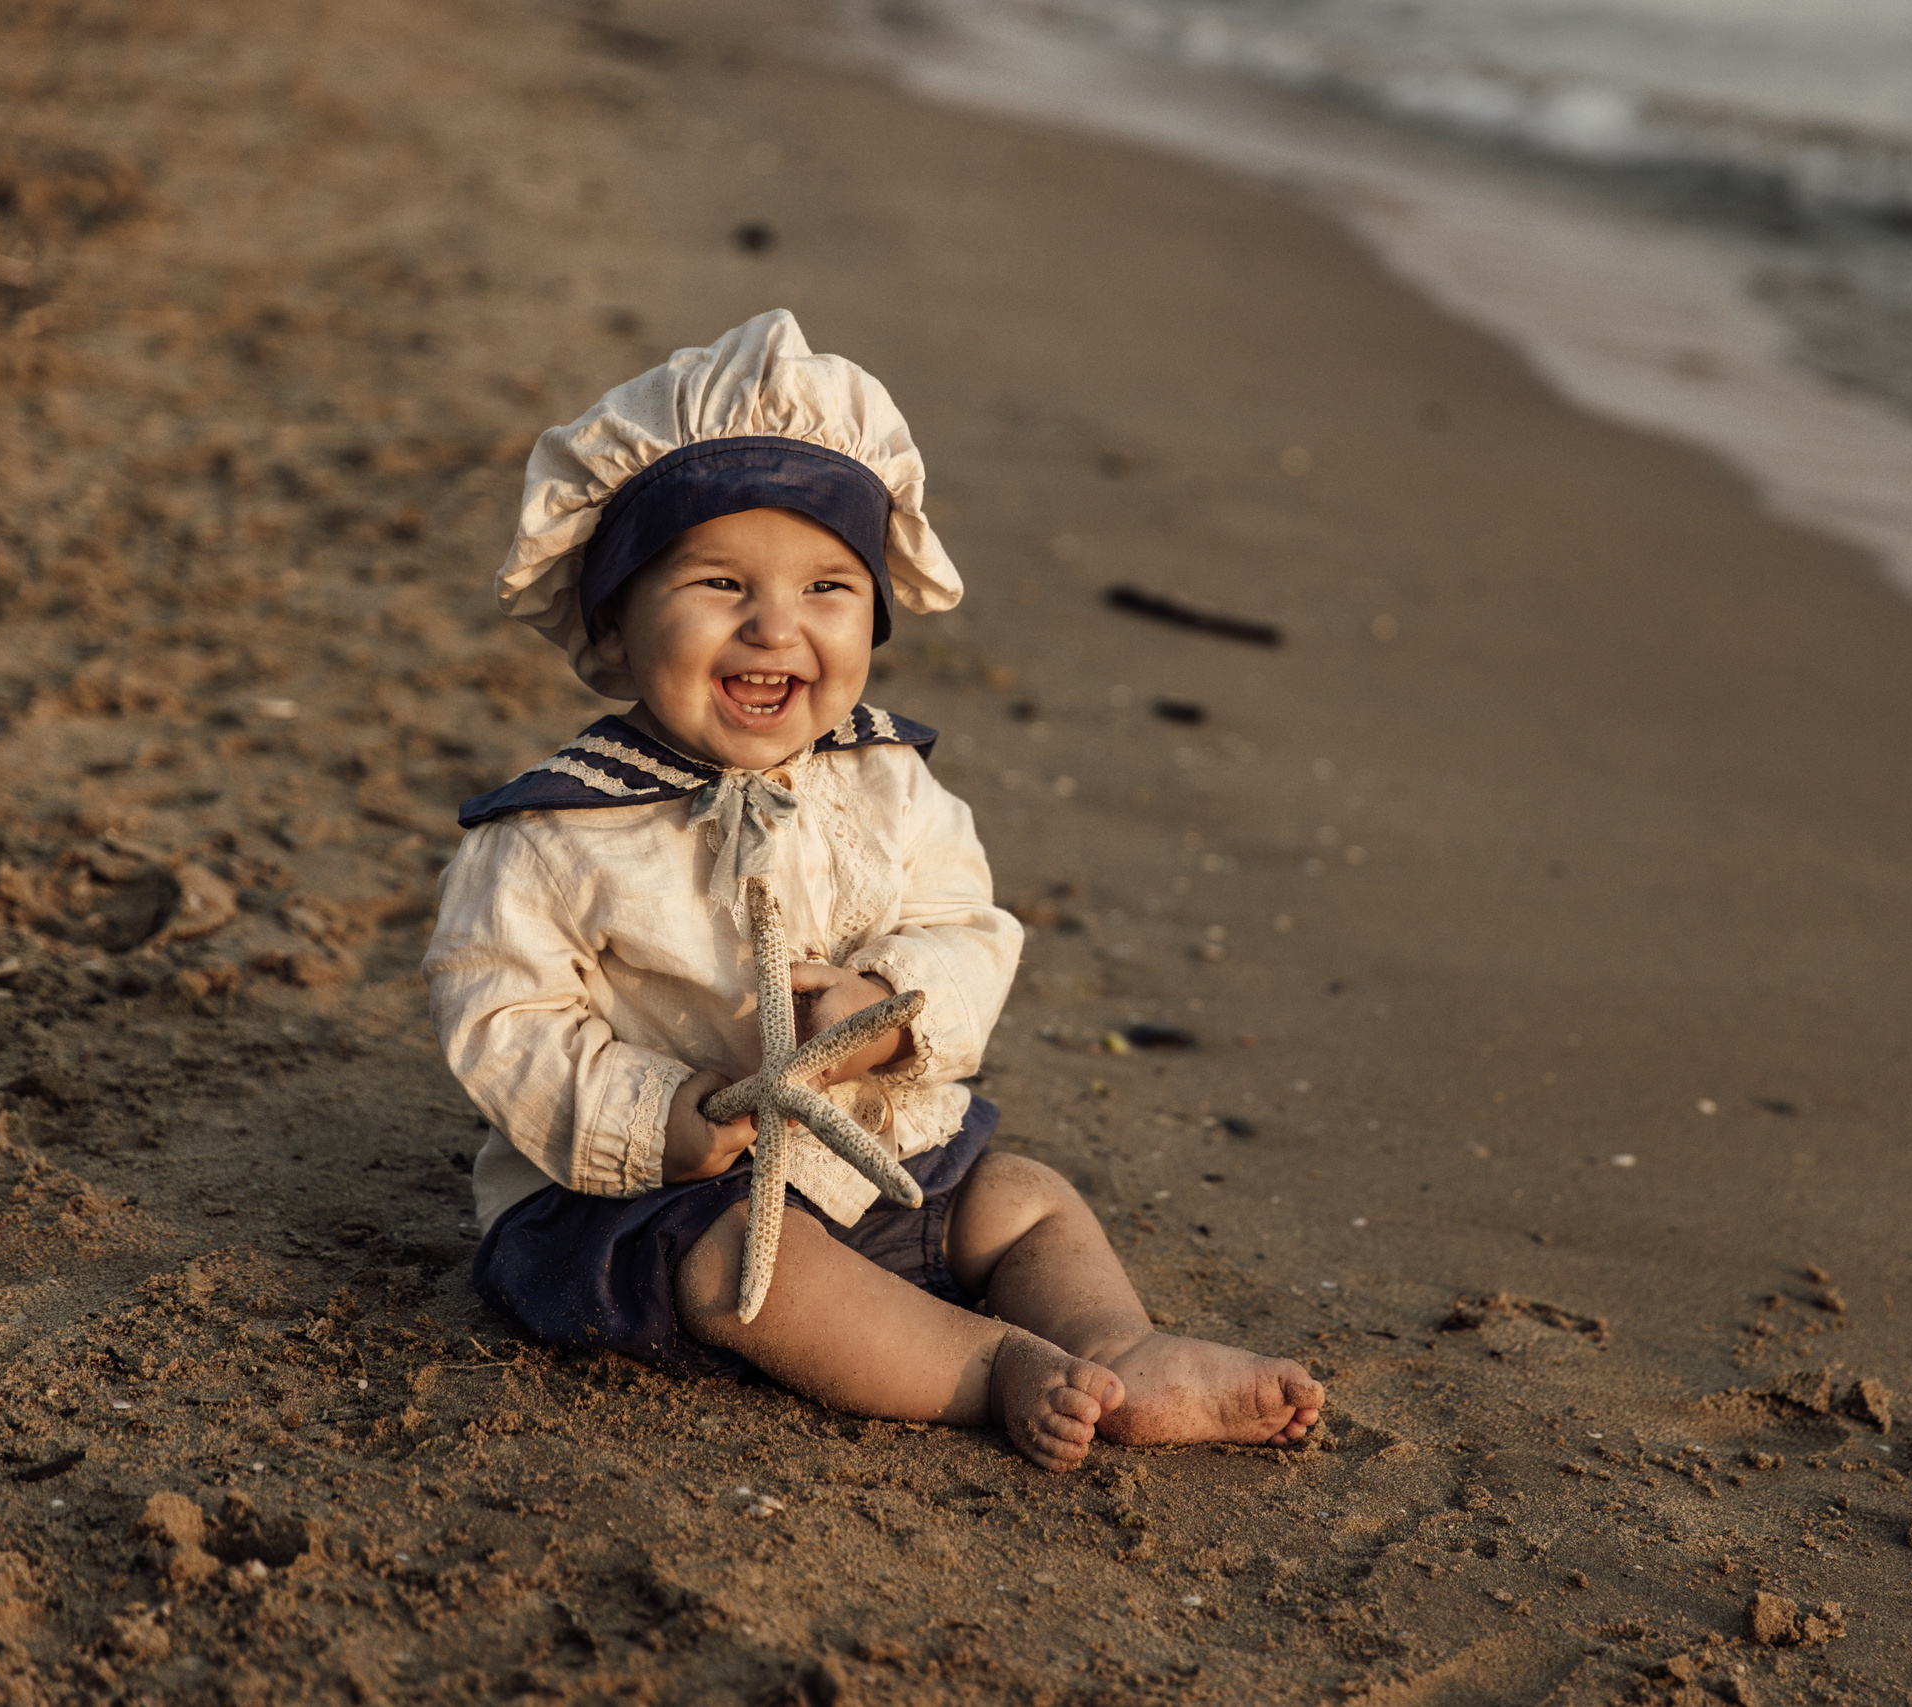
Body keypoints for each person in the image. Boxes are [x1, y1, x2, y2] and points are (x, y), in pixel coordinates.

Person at [423, 310, 1322, 1469]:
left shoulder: (889, 782)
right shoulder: (554, 831)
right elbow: (503, 1019)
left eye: (826, 587)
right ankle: (988, 1367)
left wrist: (883, 1008)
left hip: (870, 1151)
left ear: (875, 614)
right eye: (720, 581)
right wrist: (665, 1118)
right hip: (661, 1201)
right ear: (611, 625)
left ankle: (1116, 1342)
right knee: (748, 1272)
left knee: (1020, 1196)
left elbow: (966, 929)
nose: (775, 624)